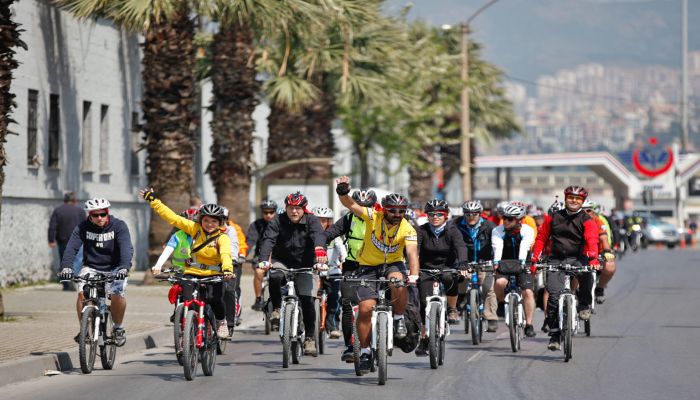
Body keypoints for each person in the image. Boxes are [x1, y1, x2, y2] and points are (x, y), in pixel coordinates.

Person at [335, 176, 419, 372]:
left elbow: (412, 253)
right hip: (368, 267)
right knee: (365, 309)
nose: (397, 214)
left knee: (398, 282)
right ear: (384, 209)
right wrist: (342, 190)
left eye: (401, 211)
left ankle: (398, 319)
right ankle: (364, 352)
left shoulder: (407, 228)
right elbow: (351, 205)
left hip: (393, 264)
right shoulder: (373, 216)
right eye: (393, 210)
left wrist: (413, 275)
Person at [139, 188, 234, 339]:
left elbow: (225, 255)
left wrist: (227, 270)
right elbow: (172, 218)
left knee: (215, 299)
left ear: (220, 223)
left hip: (214, 274)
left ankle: (221, 322)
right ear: (201, 220)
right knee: (187, 300)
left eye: (214, 221)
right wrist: (153, 200)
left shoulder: (222, 238)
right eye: (206, 220)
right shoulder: (194, 229)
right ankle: (188, 329)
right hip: (191, 272)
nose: (209, 224)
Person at [257, 192, 328, 356]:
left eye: (297, 208)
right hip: (282, 260)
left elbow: (319, 236)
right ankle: (275, 308)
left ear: (304, 209)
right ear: (286, 208)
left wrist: (320, 253)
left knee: (308, 301)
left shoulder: (312, 220)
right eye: (290, 208)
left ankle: (309, 338)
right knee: (275, 276)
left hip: (306, 264)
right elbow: (268, 239)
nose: (294, 212)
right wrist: (263, 260)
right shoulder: (278, 220)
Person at [531, 186, 599, 351]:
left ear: (582, 201)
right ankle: (555, 335)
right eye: (571, 197)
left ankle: (583, 305)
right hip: (556, 259)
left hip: (578, 259)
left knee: (587, 276)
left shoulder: (586, 219)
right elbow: (541, 238)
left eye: (578, 199)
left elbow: (591, 239)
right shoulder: (553, 217)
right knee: (553, 297)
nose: (574, 201)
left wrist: (593, 258)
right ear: (565, 198)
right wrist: (534, 259)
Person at [58, 198, 133, 346]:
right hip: (92, 266)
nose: (100, 218)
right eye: (95, 215)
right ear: (89, 215)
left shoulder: (119, 226)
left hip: (116, 267)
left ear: (108, 213)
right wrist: (67, 267)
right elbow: (71, 248)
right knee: (82, 293)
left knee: (117, 294)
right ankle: (85, 328)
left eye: (103, 214)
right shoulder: (82, 227)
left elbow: (126, 247)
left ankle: (118, 328)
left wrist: (124, 267)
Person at [323, 189, 376, 362]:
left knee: (385, 301)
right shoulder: (348, 218)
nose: (362, 209)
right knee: (348, 306)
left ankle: (386, 331)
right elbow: (330, 233)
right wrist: (319, 245)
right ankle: (350, 346)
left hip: (376, 266)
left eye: (366, 206)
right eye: (358, 205)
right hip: (352, 266)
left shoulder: (380, 219)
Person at [414, 199, 468, 356]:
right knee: (424, 304)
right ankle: (424, 338)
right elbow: (414, 250)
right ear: (427, 216)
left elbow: (460, 247)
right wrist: (413, 269)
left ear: (445, 216)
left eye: (439, 214)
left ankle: (452, 309)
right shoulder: (421, 230)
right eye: (431, 214)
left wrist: (463, 263)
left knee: (450, 278)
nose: (435, 217)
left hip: (447, 267)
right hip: (425, 269)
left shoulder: (452, 230)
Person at [491, 202, 537, 338]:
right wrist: (495, 263)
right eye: (504, 218)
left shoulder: (527, 230)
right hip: (504, 262)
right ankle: (500, 302)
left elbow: (524, 247)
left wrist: (523, 263)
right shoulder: (497, 230)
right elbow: (497, 247)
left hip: (523, 261)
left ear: (519, 220)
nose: (505, 221)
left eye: (510, 219)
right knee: (499, 283)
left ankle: (529, 324)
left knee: (527, 292)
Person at [454, 200, 499, 332]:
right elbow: (452, 245)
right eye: (467, 214)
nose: (471, 217)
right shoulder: (456, 225)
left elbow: (497, 244)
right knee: (459, 281)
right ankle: (460, 300)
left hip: (485, 261)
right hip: (464, 262)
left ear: (480, 214)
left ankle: (491, 317)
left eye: (474, 214)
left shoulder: (490, 226)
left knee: (488, 288)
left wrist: (495, 260)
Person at [313, 206, 346, 340]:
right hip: (314, 270)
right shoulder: (310, 235)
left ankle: (332, 326)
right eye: (318, 220)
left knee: (334, 297)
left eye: (324, 221)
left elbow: (342, 250)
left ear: (329, 222)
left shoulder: (335, 237)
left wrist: (345, 260)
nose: (321, 224)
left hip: (332, 270)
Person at [49, 192, 85, 291]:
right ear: (74, 200)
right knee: (77, 260)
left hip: (63, 240)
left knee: (64, 262)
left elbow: (53, 226)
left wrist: (51, 240)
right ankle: (74, 279)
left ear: (64, 200)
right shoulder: (80, 211)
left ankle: (66, 285)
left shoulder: (58, 210)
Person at [582, 200, 616, 304]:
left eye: (588, 210)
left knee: (610, 266)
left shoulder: (598, 221)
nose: (585, 213)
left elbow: (604, 238)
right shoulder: (573, 221)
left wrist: (607, 251)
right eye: (582, 211)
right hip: (580, 253)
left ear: (593, 212)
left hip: (597, 252)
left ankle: (599, 288)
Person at [246, 200, 278, 311]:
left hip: (278, 257)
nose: (268, 215)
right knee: (259, 272)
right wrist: (242, 255)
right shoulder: (256, 225)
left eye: (271, 212)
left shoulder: (281, 223)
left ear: (275, 212)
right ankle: (258, 298)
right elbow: (250, 241)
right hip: (261, 256)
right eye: (265, 212)